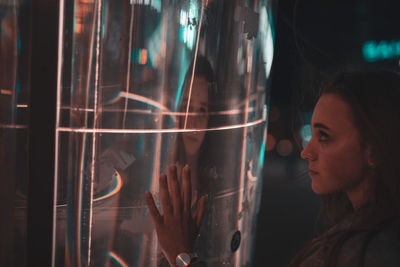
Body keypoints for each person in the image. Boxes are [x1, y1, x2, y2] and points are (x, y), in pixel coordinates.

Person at [146, 70, 400, 267]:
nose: (306, 152)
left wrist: (183, 255)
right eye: (312, 134)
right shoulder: (363, 232)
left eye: (324, 136)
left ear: (375, 149)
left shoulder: (371, 250)